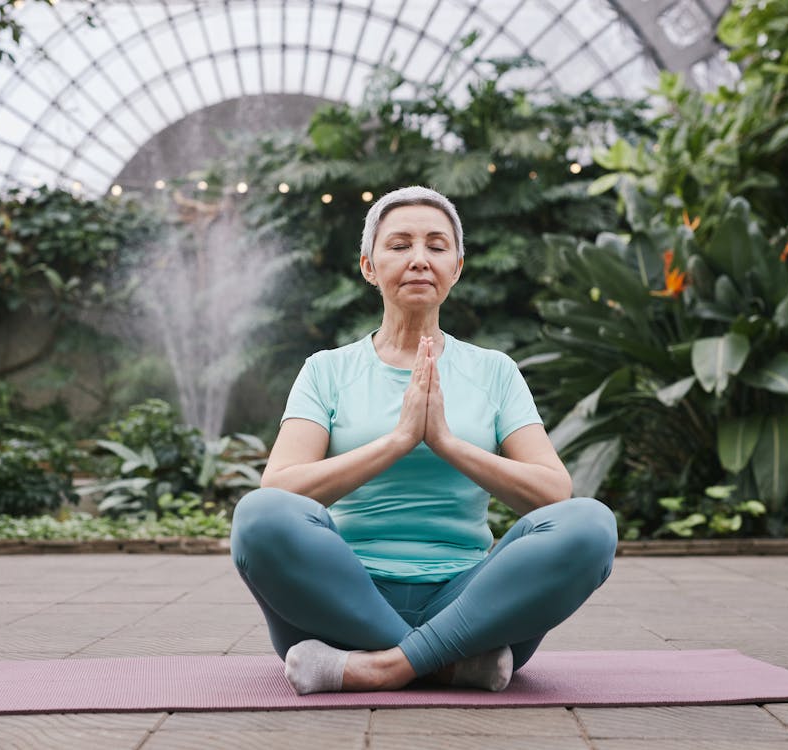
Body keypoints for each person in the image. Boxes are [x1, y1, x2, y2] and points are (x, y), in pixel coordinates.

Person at [231, 186, 617, 695]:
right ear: (369, 266)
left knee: (590, 524)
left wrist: (446, 443)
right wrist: (398, 441)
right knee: (259, 516)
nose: (419, 259)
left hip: (472, 605)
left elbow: (552, 493)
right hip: (340, 599)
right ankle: (446, 666)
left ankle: (381, 668)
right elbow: (281, 487)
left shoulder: (494, 371)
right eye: (399, 245)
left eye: (436, 246)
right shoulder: (326, 371)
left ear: (456, 267)